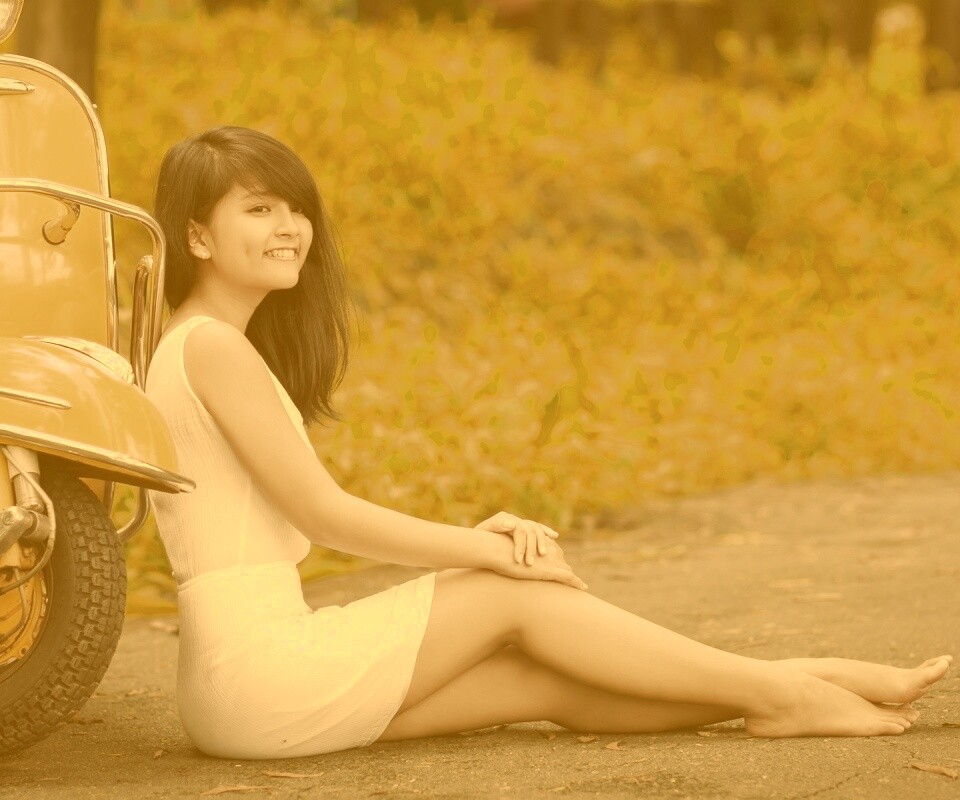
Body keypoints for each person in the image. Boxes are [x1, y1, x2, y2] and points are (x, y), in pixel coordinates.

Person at [145, 125, 952, 760]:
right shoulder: (212, 346)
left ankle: (789, 683)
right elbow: (325, 516)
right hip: (261, 669)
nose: (290, 227)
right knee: (513, 593)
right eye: (259, 210)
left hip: (238, 693)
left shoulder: (204, 342)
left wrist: (481, 548)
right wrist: (485, 549)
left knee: (542, 682)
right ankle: (788, 693)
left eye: (295, 208)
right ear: (198, 237)